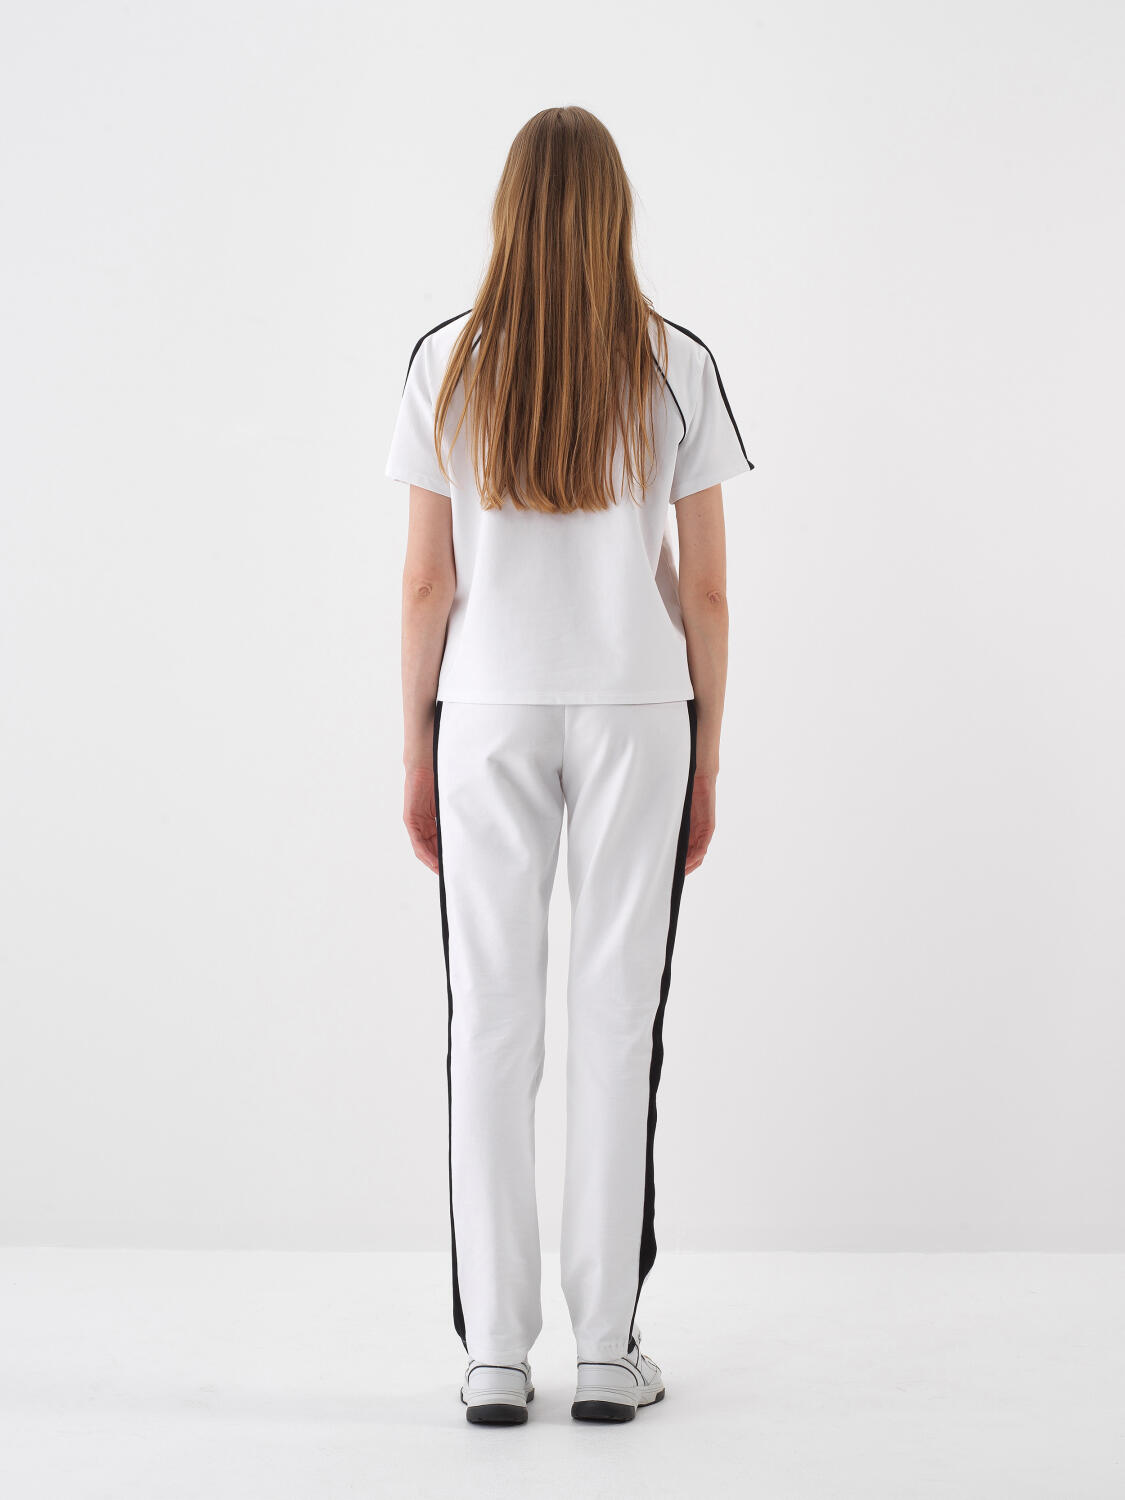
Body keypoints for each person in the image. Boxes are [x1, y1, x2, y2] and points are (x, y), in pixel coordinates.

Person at [385, 105, 754, 1426]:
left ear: (508, 212)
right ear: (614, 213)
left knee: (488, 1025)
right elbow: (703, 593)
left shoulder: (446, 361)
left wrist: (414, 746)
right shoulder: (676, 363)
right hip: (638, 710)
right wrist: (709, 753)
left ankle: (495, 1354)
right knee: (615, 1021)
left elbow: (427, 584)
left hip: (485, 710)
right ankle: (605, 1350)